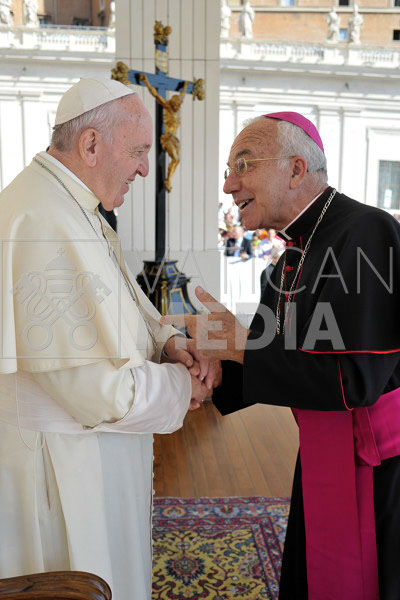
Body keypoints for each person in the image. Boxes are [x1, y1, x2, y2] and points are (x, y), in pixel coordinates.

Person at [162, 112, 400, 599]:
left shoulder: (367, 233)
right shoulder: (289, 256)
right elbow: (271, 360)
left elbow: (354, 381)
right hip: (321, 448)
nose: (229, 185)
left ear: (296, 169)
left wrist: (239, 345)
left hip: (379, 469)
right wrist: (206, 370)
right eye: (228, 170)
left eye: (243, 165)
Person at [0, 77, 212, 600]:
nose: (145, 168)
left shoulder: (67, 203)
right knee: (88, 573)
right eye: (138, 151)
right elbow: (97, 392)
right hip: (63, 464)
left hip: (88, 449)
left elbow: (116, 293)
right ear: (91, 144)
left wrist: (166, 340)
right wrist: (184, 387)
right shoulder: (46, 220)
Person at [138, 72, 189, 193]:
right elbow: (156, 94)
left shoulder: (177, 108)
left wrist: (185, 86)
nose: (177, 107)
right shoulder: (167, 106)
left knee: (177, 160)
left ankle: (168, 180)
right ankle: (168, 180)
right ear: (172, 103)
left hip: (174, 139)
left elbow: (182, 96)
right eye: (176, 104)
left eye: (178, 105)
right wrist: (146, 81)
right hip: (167, 138)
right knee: (175, 159)